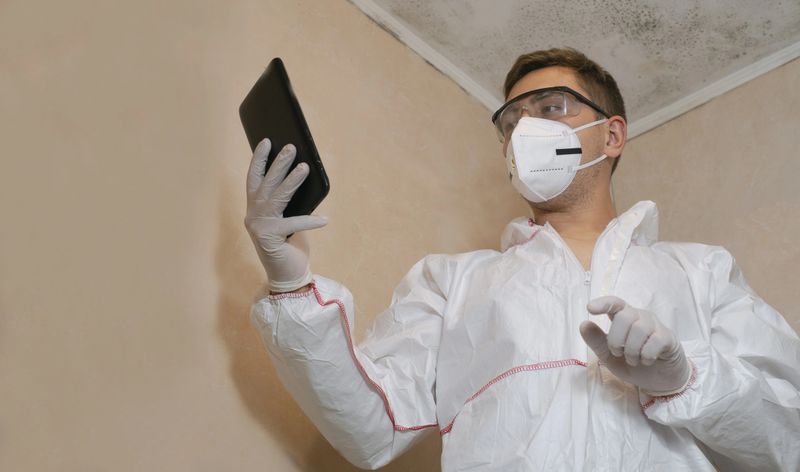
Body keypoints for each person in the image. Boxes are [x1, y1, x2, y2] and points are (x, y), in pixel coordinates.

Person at [243, 48, 800, 471]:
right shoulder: (453, 281)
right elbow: (369, 429)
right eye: (510, 122)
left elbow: (788, 439)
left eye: (551, 108)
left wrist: (685, 380)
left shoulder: (701, 272)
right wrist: (289, 280)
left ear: (612, 135)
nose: (523, 132)